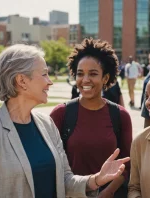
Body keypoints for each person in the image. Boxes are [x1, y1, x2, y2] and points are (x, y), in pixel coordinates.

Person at [0, 44, 130, 198]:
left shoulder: (46, 125)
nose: (49, 81)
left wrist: (96, 179)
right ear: (21, 81)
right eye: (44, 74)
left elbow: (64, 180)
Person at [50, 38, 132, 198]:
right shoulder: (60, 114)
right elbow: (52, 165)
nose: (85, 80)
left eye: (93, 74)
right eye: (80, 74)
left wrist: (108, 192)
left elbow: (127, 164)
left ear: (105, 78)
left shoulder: (120, 116)